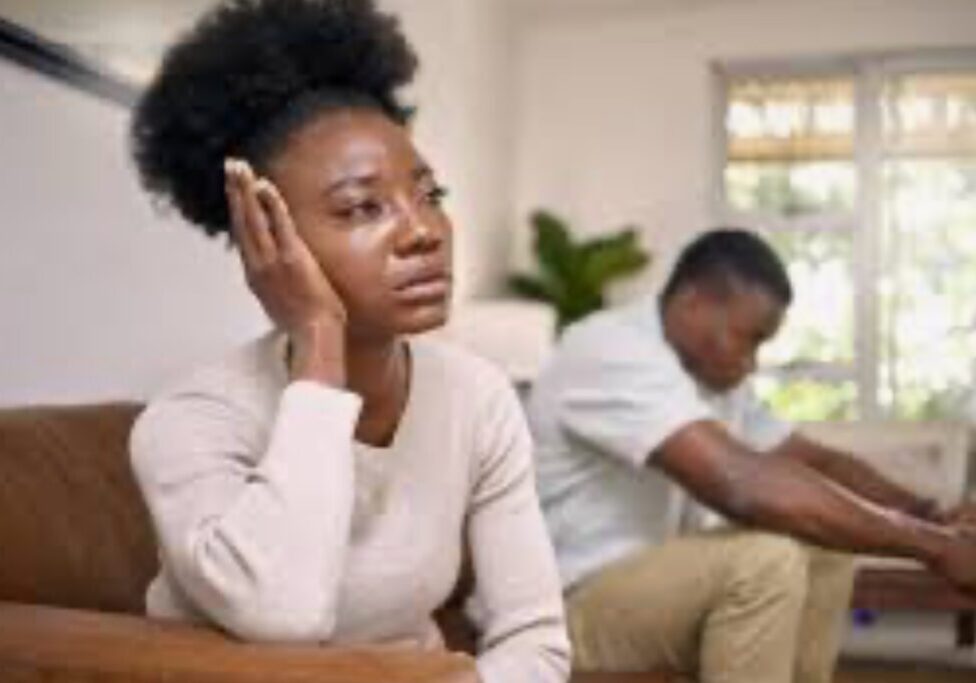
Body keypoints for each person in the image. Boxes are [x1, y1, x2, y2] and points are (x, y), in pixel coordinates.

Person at [126, 2, 569, 682]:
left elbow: (536, 641)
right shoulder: (191, 421)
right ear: (266, 238)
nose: (423, 231)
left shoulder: (477, 398)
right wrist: (319, 336)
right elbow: (284, 616)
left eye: (429, 194)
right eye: (362, 206)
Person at [526, 228, 976, 683]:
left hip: (647, 585)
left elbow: (815, 463)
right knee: (763, 560)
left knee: (824, 545)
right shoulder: (609, 349)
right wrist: (933, 548)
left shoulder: (712, 378)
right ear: (693, 304)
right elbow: (742, 486)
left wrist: (930, 517)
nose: (752, 362)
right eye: (749, 338)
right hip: (568, 607)